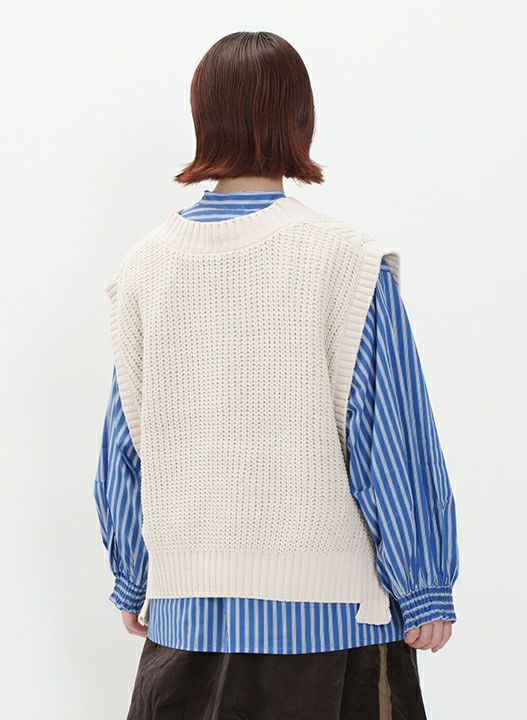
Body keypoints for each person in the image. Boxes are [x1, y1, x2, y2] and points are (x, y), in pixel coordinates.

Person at [93, 30, 459, 720]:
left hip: (183, 627)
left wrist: (133, 577)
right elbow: (390, 436)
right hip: (331, 631)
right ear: (301, 118)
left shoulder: (144, 267)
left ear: (203, 118)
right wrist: (424, 584)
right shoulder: (345, 261)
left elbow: (126, 445)